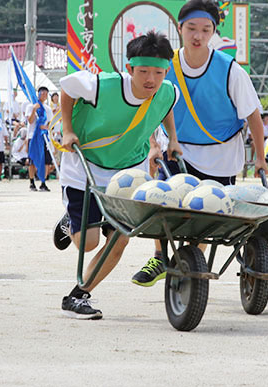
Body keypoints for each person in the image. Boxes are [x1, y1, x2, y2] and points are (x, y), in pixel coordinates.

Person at [131, 0, 267, 287]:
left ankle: (192, 258)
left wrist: (260, 157)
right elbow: (148, 106)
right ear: (180, 28)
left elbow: (253, 114)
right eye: (191, 28)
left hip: (222, 154)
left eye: (206, 30)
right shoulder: (165, 66)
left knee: (208, 215)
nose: (198, 36)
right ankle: (159, 257)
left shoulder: (229, 69)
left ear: (213, 33)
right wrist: (155, 143)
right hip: (179, 149)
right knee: (162, 203)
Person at [54, 31, 180, 319]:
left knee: (121, 238)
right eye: (144, 71)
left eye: (158, 72)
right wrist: (68, 128)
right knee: (87, 243)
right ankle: (69, 222)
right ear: (130, 68)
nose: (151, 79)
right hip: (84, 168)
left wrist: (171, 139)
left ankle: (79, 295)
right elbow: (67, 89)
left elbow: (166, 107)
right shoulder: (103, 85)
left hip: (128, 173)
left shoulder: (167, 90)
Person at [25, 86, 53, 192]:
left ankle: (43, 182)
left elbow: (50, 124)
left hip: (44, 137)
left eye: (46, 93)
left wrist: (45, 128)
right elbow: (30, 121)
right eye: (42, 93)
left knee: (46, 161)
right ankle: (32, 182)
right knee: (32, 160)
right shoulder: (31, 106)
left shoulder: (48, 109)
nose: (44, 95)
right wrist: (34, 110)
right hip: (33, 136)